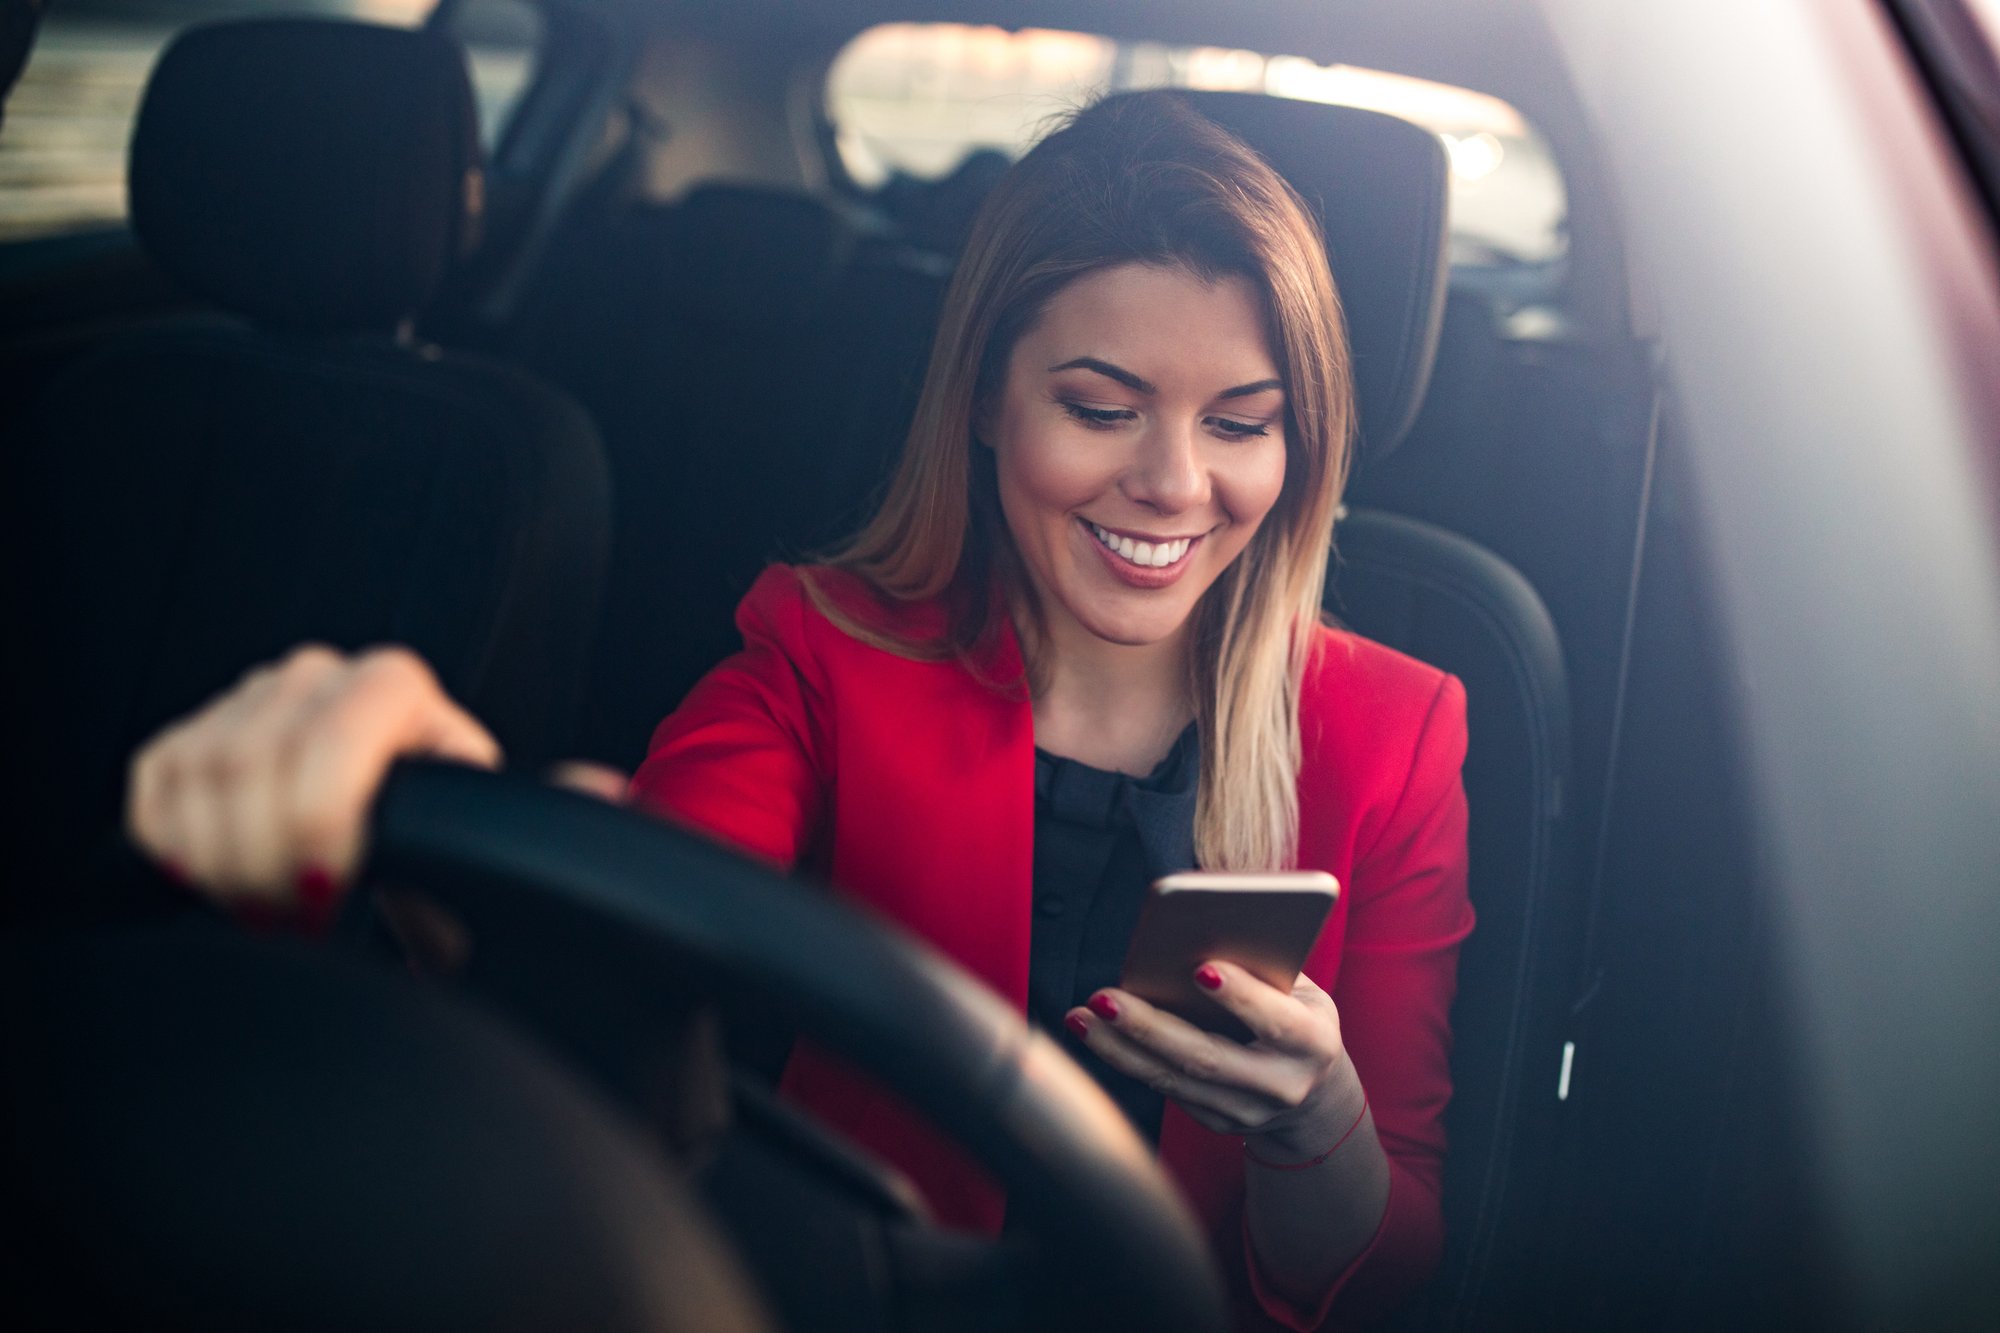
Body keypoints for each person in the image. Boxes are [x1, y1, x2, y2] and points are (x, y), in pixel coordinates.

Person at [125, 92, 1471, 1330]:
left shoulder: (1397, 737)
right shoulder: (826, 650)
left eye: (1244, 424)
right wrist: (426, 791)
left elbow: (1384, 1263)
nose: (1175, 483)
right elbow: (636, 908)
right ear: (990, 398)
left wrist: (1320, 1128)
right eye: (1102, 406)